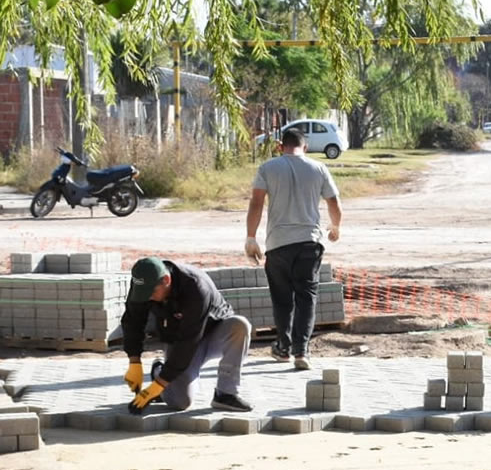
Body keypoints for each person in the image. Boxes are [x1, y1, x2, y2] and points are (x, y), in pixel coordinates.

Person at [244, 127, 343, 371]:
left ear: (280, 146)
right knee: (306, 297)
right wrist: (335, 226)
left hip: (278, 245)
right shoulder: (318, 168)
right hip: (310, 244)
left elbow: (256, 202)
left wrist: (250, 237)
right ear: (305, 147)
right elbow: (333, 201)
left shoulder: (268, 168)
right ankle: (302, 351)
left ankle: (284, 348)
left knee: (282, 299)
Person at [121, 257, 254, 413]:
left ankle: (225, 393)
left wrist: (158, 385)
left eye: (151, 292)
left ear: (166, 280)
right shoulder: (143, 283)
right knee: (180, 402)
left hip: (212, 334)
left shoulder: (196, 287)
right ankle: (159, 370)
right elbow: (132, 321)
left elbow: (188, 341)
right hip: (178, 338)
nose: (147, 297)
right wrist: (134, 361)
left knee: (240, 326)